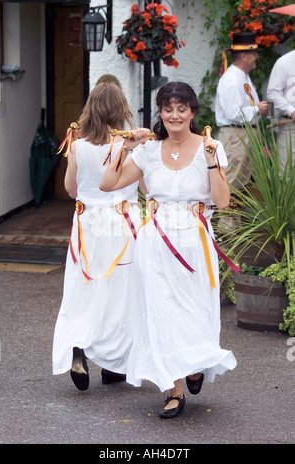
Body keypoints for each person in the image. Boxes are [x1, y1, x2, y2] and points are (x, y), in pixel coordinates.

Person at [100, 81, 237, 419]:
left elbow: (222, 201)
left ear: (192, 112)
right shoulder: (148, 151)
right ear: (160, 112)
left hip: (194, 241)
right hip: (156, 242)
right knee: (160, 313)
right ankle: (173, 388)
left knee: (193, 310)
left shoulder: (211, 147)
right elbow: (108, 184)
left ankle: (194, 365)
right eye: (168, 108)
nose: (175, 115)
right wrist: (125, 146)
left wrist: (208, 162)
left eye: (182, 108)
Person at [52, 81, 142, 390]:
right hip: (120, 222)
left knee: (83, 287)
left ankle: (79, 345)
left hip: (87, 222)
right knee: (119, 291)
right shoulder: (127, 145)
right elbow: (145, 188)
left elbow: (71, 189)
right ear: (121, 109)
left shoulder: (77, 144)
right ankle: (113, 364)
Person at [215, 32, 268, 190]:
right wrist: (256, 109)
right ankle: (226, 216)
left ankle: (233, 216)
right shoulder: (232, 79)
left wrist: (257, 111)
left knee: (240, 184)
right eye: (254, 53)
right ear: (245, 56)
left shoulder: (241, 76)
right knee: (231, 182)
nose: (256, 57)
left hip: (243, 135)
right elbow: (233, 113)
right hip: (236, 135)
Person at [266, 50, 295, 168]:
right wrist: (292, 111)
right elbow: (272, 93)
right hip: (291, 126)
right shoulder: (284, 62)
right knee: (288, 171)